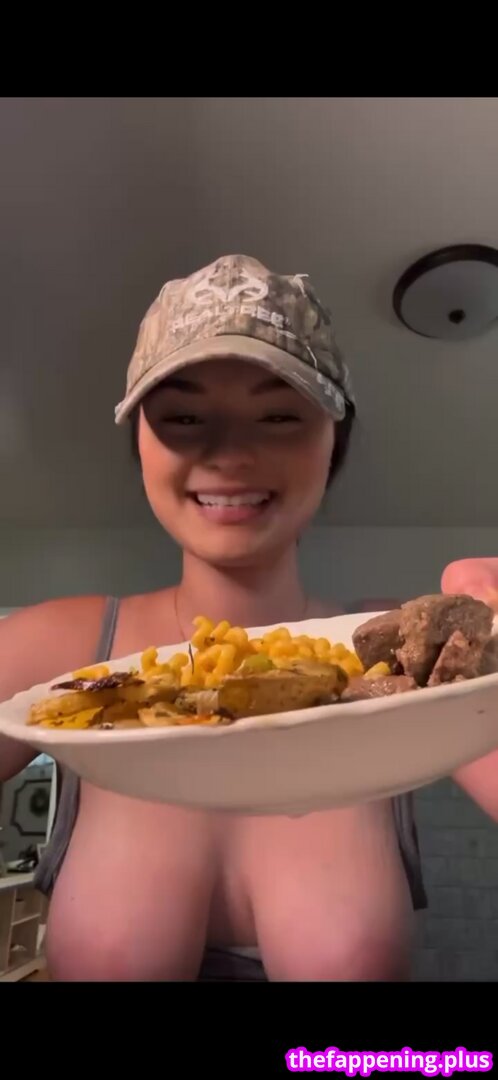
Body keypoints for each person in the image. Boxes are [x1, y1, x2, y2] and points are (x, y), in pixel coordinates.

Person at [1, 254, 497, 982]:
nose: (231, 454)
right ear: (140, 442)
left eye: (278, 415)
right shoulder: (59, 654)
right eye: (184, 417)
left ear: (333, 441)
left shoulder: (406, 657)